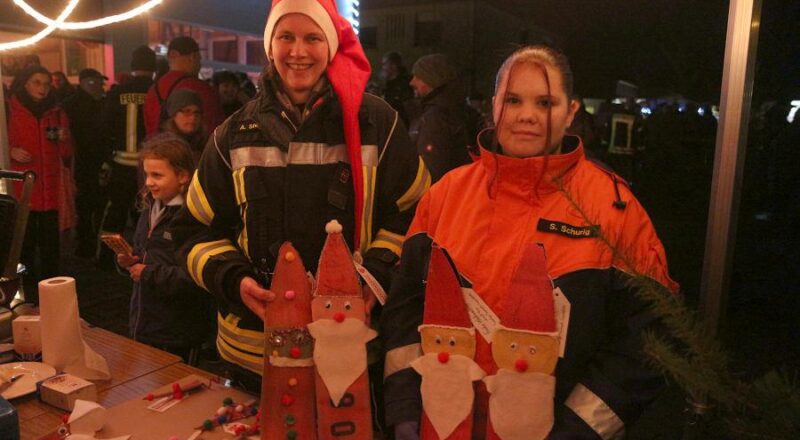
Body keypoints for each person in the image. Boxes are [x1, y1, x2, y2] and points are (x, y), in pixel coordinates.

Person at [381, 45, 679, 439]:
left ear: (571, 112)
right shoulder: (445, 196)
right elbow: (405, 312)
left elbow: (647, 344)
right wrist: (404, 412)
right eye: (514, 100)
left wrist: (575, 431)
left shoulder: (614, 211)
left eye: (545, 102)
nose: (527, 115)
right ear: (493, 106)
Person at [171, 0, 427, 396]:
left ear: (331, 44)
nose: (298, 51)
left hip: (348, 352)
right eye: (285, 36)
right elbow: (192, 231)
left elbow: (418, 216)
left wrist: (373, 275)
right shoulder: (233, 133)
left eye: (312, 37)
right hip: (253, 355)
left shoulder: (378, 124)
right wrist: (233, 279)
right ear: (269, 46)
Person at [116, 133, 215, 362]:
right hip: (145, 322)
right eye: (147, 174)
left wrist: (148, 273)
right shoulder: (150, 206)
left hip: (176, 332)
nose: (149, 182)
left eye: (157, 175)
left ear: (182, 176)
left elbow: (198, 277)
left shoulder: (193, 218)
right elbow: (144, 252)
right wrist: (129, 261)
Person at [8, 65, 74, 304]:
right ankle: (23, 292)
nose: (43, 89)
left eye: (46, 84)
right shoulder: (9, 110)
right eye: (37, 82)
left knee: (50, 246)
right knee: (22, 245)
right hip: (22, 191)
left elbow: (66, 154)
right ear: (24, 83)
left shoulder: (56, 112)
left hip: (50, 189)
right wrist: (9, 150)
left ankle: (51, 291)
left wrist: (65, 140)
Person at [99, 45, 157, 238]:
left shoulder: (118, 92)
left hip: (121, 165)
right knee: (146, 215)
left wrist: (108, 157)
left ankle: (107, 259)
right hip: (151, 166)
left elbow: (104, 127)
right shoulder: (156, 91)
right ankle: (141, 259)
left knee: (116, 213)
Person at [62, 68, 109, 259]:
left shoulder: (74, 103)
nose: (98, 85)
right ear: (85, 83)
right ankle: (88, 244)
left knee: (89, 204)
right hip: (85, 160)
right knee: (89, 204)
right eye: (95, 82)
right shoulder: (79, 104)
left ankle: (87, 244)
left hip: (86, 160)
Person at [408, 54, 471, 182]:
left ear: (432, 79)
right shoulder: (448, 110)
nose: (412, 82)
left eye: (418, 77)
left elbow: (431, 171)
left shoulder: (436, 117)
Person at [144, 36, 224, 137]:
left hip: (157, 149)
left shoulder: (153, 90)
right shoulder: (202, 89)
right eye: (199, 60)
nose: (199, 65)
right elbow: (216, 130)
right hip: (190, 151)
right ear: (193, 57)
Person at [161, 89, 207, 164]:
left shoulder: (207, 144)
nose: (193, 117)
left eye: (196, 113)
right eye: (187, 112)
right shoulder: (162, 147)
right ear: (174, 115)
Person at [380, 51, 414, 126]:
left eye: (385, 64)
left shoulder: (405, 85)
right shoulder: (387, 84)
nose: (383, 67)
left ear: (393, 65)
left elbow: (406, 108)